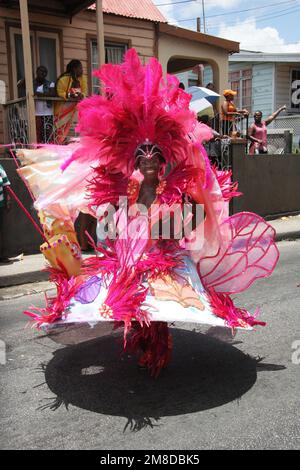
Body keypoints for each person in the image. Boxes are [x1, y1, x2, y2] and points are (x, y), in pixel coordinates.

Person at [18, 49, 279, 377]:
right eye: (142, 156)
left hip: (163, 257)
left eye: (155, 155)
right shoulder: (127, 184)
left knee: (158, 307)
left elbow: (189, 217)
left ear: (163, 158)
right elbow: (112, 223)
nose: (148, 161)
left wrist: (177, 219)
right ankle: (144, 339)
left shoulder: (173, 183)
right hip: (131, 256)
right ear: (134, 159)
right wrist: (119, 225)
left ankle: (156, 344)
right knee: (132, 305)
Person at [54, 60, 88, 144]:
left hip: (75, 110)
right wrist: (69, 95)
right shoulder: (63, 79)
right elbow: (59, 92)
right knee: (60, 131)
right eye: (80, 68)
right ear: (74, 69)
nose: (82, 70)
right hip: (63, 110)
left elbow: (84, 91)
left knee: (73, 131)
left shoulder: (83, 79)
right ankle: (58, 145)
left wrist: (81, 95)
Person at [34, 66, 56, 143]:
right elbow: (20, 86)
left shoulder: (50, 83)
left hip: (48, 112)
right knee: (38, 133)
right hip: (36, 112)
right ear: (36, 72)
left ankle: (48, 149)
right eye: (41, 71)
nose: (43, 73)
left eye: (45, 72)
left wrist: (38, 94)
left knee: (48, 133)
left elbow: (53, 94)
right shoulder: (32, 83)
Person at [0, 164, 12, 263]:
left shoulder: (0, 167)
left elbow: (6, 185)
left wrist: (8, 201)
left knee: (2, 230)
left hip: (1, 204)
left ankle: (2, 255)